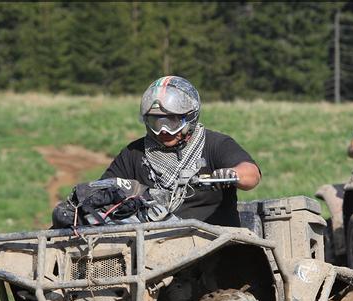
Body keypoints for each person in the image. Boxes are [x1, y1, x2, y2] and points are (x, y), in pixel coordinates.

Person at [101, 76, 261, 227]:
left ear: (190, 117)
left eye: (171, 121)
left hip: (215, 245)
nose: (163, 131)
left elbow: (252, 175)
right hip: (153, 246)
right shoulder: (133, 153)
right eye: (155, 122)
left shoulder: (216, 144)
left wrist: (232, 175)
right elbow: (103, 190)